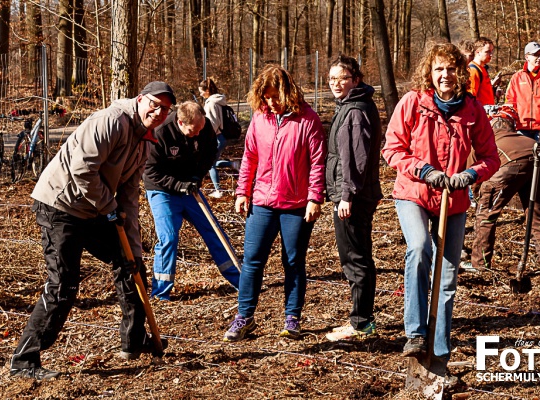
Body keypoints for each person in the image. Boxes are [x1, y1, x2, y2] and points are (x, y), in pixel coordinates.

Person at [9, 81, 176, 380]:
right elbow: (82, 168)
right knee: (64, 283)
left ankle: (133, 341)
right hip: (60, 205)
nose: (160, 111)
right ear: (140, 99)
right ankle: (24, 360)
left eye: (166, 108)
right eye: (155, 103)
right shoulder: (110, 121)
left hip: (96, 206)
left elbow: (128, 196)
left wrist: (133, 248)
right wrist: (108, 207)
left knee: (130, 265)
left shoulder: (147, 141)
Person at [382, 43, 500, 362]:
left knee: (447, 272)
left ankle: (439, 343)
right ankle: (415, 334)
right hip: (414, 193)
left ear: (460, 72)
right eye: (438, 69)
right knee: (419, 248)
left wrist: (471, 174)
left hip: (455, 199)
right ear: (429, 73)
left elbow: (491, 157)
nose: (444, 74)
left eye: (450, 68)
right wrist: (423, 169)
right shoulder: (413, 103)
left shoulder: (471, 109)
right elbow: (392, 149)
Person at [222, 65, 326, 342]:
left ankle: (292, 318)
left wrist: (315, 197)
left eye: (275, 96)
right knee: (253, 262)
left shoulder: (308, 120)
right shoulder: (259, 119)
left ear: (287, 92)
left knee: (293, 261)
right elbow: (249, 157)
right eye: (266, 97)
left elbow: (317, 162)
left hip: (296, 203)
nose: (271, 102)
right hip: (262, 201)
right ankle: (244, 317)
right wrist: (242, 192)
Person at [143, 100, 241, 300]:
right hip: (163, 191)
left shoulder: (203, 128)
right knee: (168, 237)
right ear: (180, 123)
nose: (197, 134)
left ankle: (240, 280)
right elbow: (149, 172)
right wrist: (177, 185)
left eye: (200, 129)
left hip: (190, 188)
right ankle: (161, 292)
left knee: (213, 230)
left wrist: (197, 176)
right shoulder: (161, 132)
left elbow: (209, 154)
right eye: (192, 131)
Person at [469, 107, 540, 287]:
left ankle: (480, 267)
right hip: (538, 156)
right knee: (539, 219)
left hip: (510, 163)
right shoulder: (523, 139)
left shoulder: (485, 139)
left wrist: (478, 200)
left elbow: (475, 174)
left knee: (486, 217)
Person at [323, 55, 383, 342]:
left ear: (355, 80)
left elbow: (355, 159)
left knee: (355, 258)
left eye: (342, 78)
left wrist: (346, 196)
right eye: (332, 78)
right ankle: (361, 318)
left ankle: (361, 322)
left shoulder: (356, 110)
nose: (336, 83)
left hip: (353, 197)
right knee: (355, 256)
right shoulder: (348, 105)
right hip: (352, 194)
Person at [506, 41, 540, 195]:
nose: (539, 57)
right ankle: (525, 193)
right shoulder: (517, 77)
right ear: (526, 57)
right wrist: (512, 122)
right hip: (522, 128)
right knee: (523, 162)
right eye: (535, 55)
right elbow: (510, 102)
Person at [199, 78, 241, 199]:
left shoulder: (211, 103)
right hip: (221, 137)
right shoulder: (217, 101)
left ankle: (218, 190)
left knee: (209, 163)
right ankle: (233, 164)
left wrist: (206, 136)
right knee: (211, 161)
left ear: (207, 90)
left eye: (202, 91)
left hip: (216, 137)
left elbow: (213, 123)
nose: (201, 94)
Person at [468, 37, 496, 106]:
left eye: (491, 51)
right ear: (478, 52)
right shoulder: (473, 70)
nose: (491, 55)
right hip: (480, 115)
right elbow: (471, 98)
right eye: (487, 52)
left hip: (487, 114)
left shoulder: (482, 68)